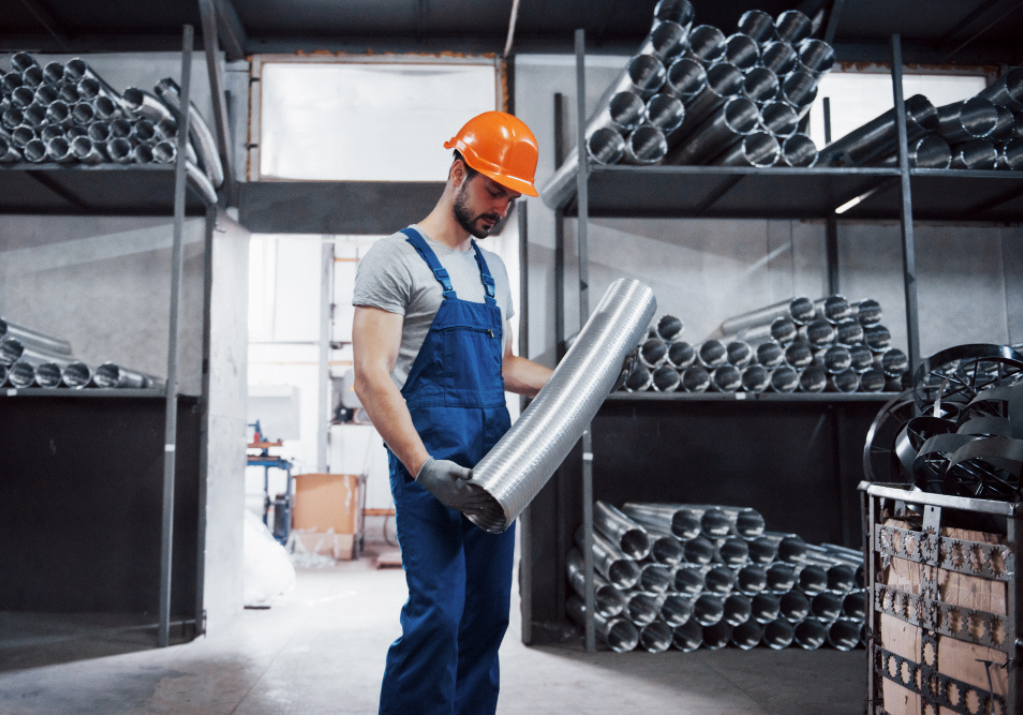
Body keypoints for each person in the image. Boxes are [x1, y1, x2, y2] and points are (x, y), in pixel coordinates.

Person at [352, 111, 553, 715]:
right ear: (458, 172)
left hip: (498, 466)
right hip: (432, 466)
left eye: (512, 199)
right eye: (494, 191)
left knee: (487, 617)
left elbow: (502, 365)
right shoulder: (394, 259)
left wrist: (575, 384)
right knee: (437, 617)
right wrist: (421, 466)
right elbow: (370, 376)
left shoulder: (493, 270)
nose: (500, 209)